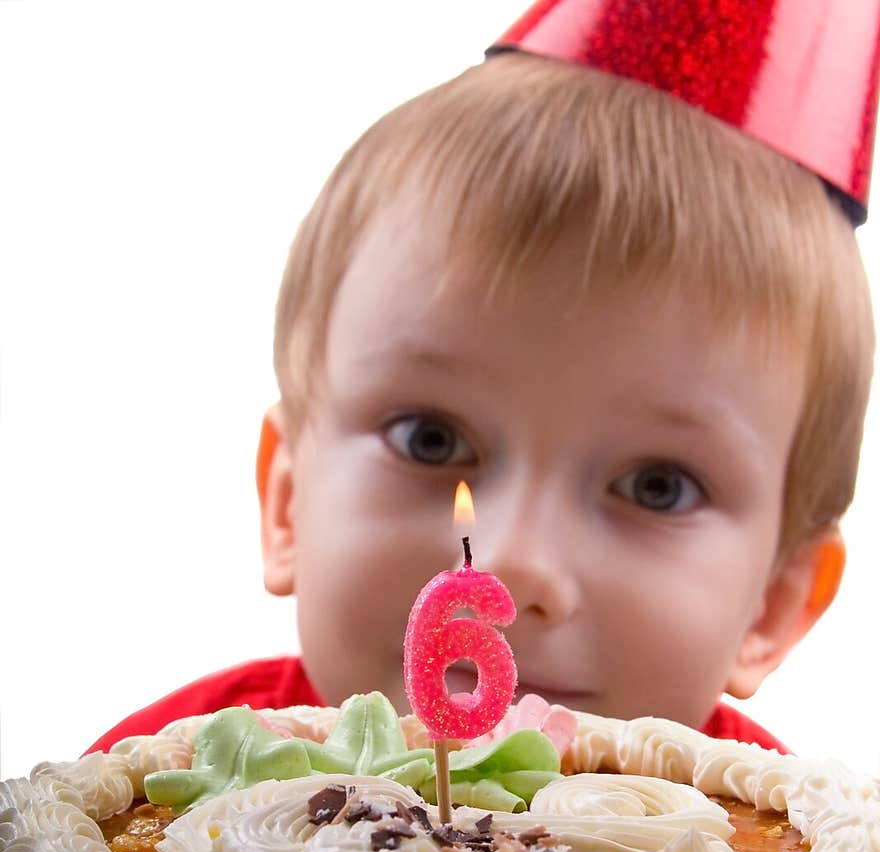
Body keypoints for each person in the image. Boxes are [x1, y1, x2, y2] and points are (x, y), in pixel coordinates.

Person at [86, 11, 876, 758]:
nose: (508, 561)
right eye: (431, 439)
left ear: (772, 606)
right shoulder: (137, 812)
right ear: (288, 501)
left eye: (658, 486)